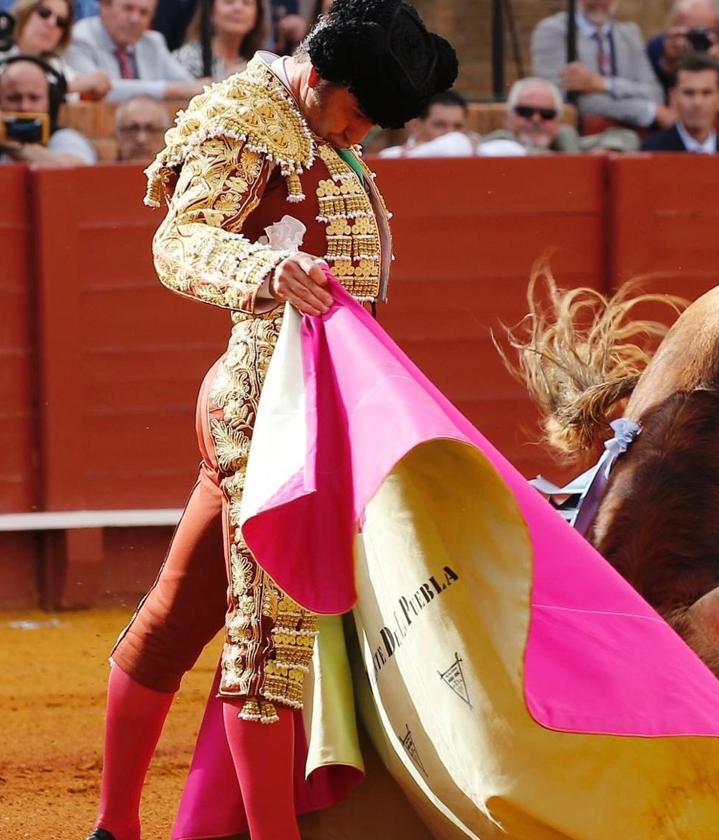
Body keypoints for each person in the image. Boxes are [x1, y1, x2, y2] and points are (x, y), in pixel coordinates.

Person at [83, 1, 456, 839]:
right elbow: (179, 244)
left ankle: (113, 829)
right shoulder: (240, 119)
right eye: (357, 114)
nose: (361, 135)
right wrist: (270, 267)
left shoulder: (321, 122)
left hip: (321, 400)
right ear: (316, 77)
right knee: (269, 637)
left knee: (183, 614)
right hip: (268, 405)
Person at [530, 0, 672, 130]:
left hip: (631, 135)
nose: (599, 1)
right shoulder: (553, 31)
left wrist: (603, 84)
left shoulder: (630, 33)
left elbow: (654, 94)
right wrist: (648, 111)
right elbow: (561, 100)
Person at [65, 0, 205, 102]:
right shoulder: (79, 38)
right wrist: (168, 91)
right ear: (104, 6)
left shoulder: (152, 42)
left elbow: (192, 88)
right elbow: (97, 90)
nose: (135, 19)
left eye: (144, 12)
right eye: (128, 8)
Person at [478, 76, 639, 155]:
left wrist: (607, 149)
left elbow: (627, 137)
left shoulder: (567, 142)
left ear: (558, 122)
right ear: (508, 119)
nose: (536, 119)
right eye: (526, 112)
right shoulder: (499, 142)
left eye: (547, 114)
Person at [0, 55, 97, 165]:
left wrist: (9, 144)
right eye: (14, 98)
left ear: (51, 100)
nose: (25, 107)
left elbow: (75, 170)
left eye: (34, 98)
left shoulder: (65, 138)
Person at [1, 0, 111, 98]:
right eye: (44, 13)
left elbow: (93, 82)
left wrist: (96, 82)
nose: (51, 24)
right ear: (25, 13)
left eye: (61, 22)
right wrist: (70, 88)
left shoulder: (56, 65)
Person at [641, 52, 719, 153]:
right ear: (673, 98)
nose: (697, 103)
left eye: (706, 93)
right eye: (688, 93)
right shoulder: (652, 152)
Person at [172, 0, 265, 81]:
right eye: (228, 2)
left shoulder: (258, 64)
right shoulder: (187, 57)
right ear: (210, 12)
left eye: (247, 3)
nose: (238, 8)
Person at [379, 89, 471, 157]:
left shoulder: (476, 151)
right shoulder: (390, 157)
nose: (450, 133)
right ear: (416, 126)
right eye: (440, 125)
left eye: (458, 126)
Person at [113, 94, 168, 161]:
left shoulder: (181, 171)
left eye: (151, 129)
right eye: (132, 129)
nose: (141, 139)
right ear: (117, 134)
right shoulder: (101, 171)